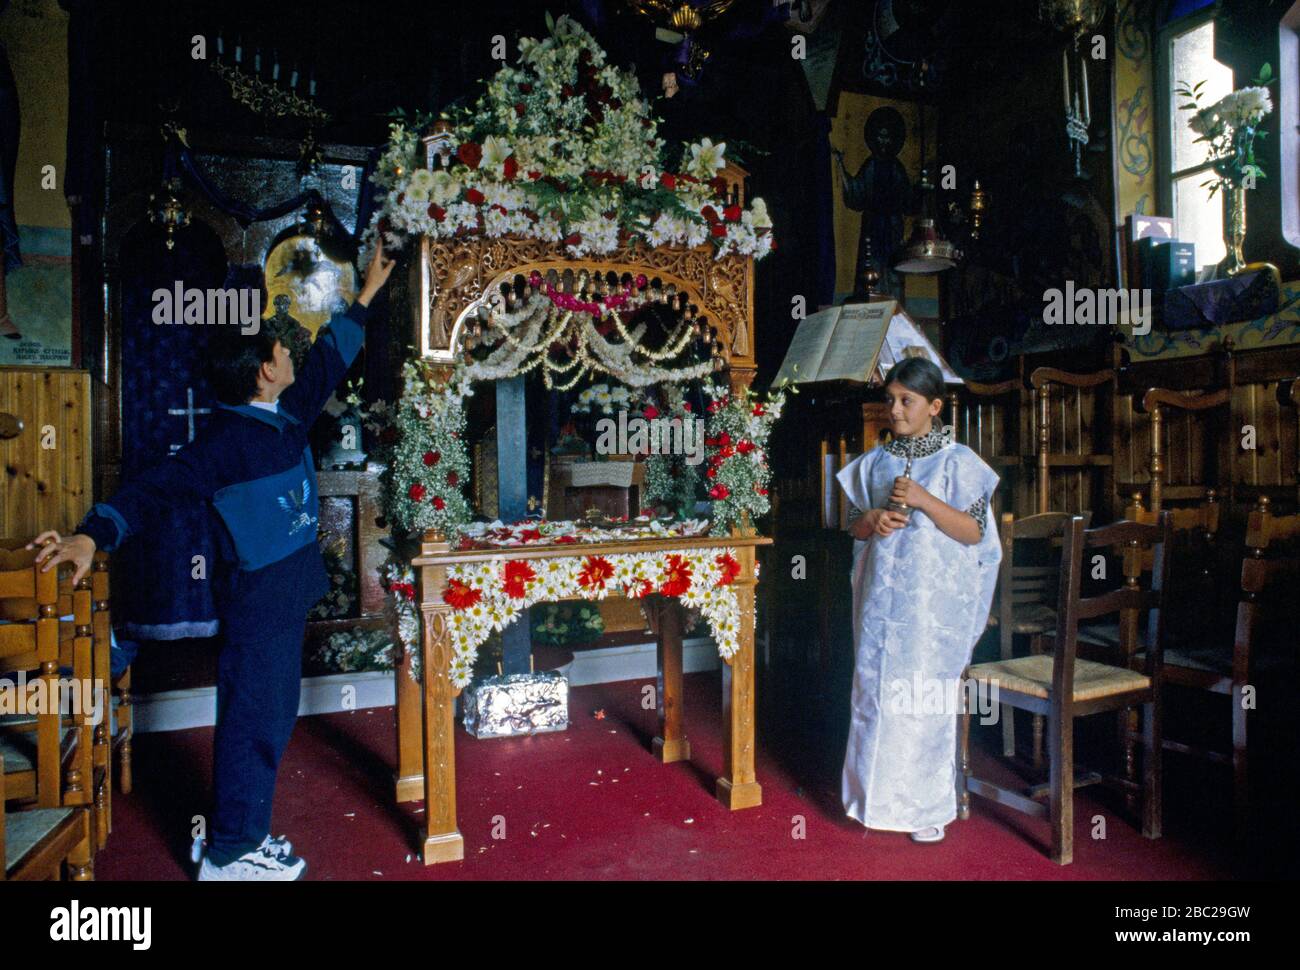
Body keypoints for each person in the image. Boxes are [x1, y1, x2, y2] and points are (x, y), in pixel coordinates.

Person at [30, 241, 396, 880]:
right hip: (257, 608)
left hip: (284, 603)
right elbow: (154, 489)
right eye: (281, 350)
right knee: (253, 721)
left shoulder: (283, 415)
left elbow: (329, 363)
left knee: (271, 718)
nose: (291, 354)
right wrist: (93, 534)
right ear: (261, 370)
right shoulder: (224, 443)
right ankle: (229, 852)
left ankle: (240, 833)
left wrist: (363, 297)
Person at [836, 357, 1001, 843]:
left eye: (907, 400)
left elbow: (974, 534)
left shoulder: (960, 463)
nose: (895, 410)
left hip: (933, 610)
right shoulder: (873, 464)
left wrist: (926, 500)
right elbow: (853, 527)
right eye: (890, 399)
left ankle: (925, 808)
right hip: (881, 606)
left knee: (924, 701)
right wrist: (873, 520)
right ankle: (869, 799)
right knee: (874, 692)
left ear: (935, 406)